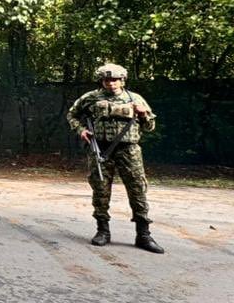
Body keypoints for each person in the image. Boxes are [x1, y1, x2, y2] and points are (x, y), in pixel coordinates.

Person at [66, 63, 164, 254]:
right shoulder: (90, 98)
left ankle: (143, 234)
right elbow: (72, 115)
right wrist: (81, 130)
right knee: (100, 189)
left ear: (122, 80)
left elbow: (150, 126)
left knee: (137, 190)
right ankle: (103, 231)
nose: (111, 83)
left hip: (129, 150)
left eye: (115, 79)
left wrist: (143, 113)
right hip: (100, 149)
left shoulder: (134, 98)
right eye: (107, 79)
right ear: (101, 80)